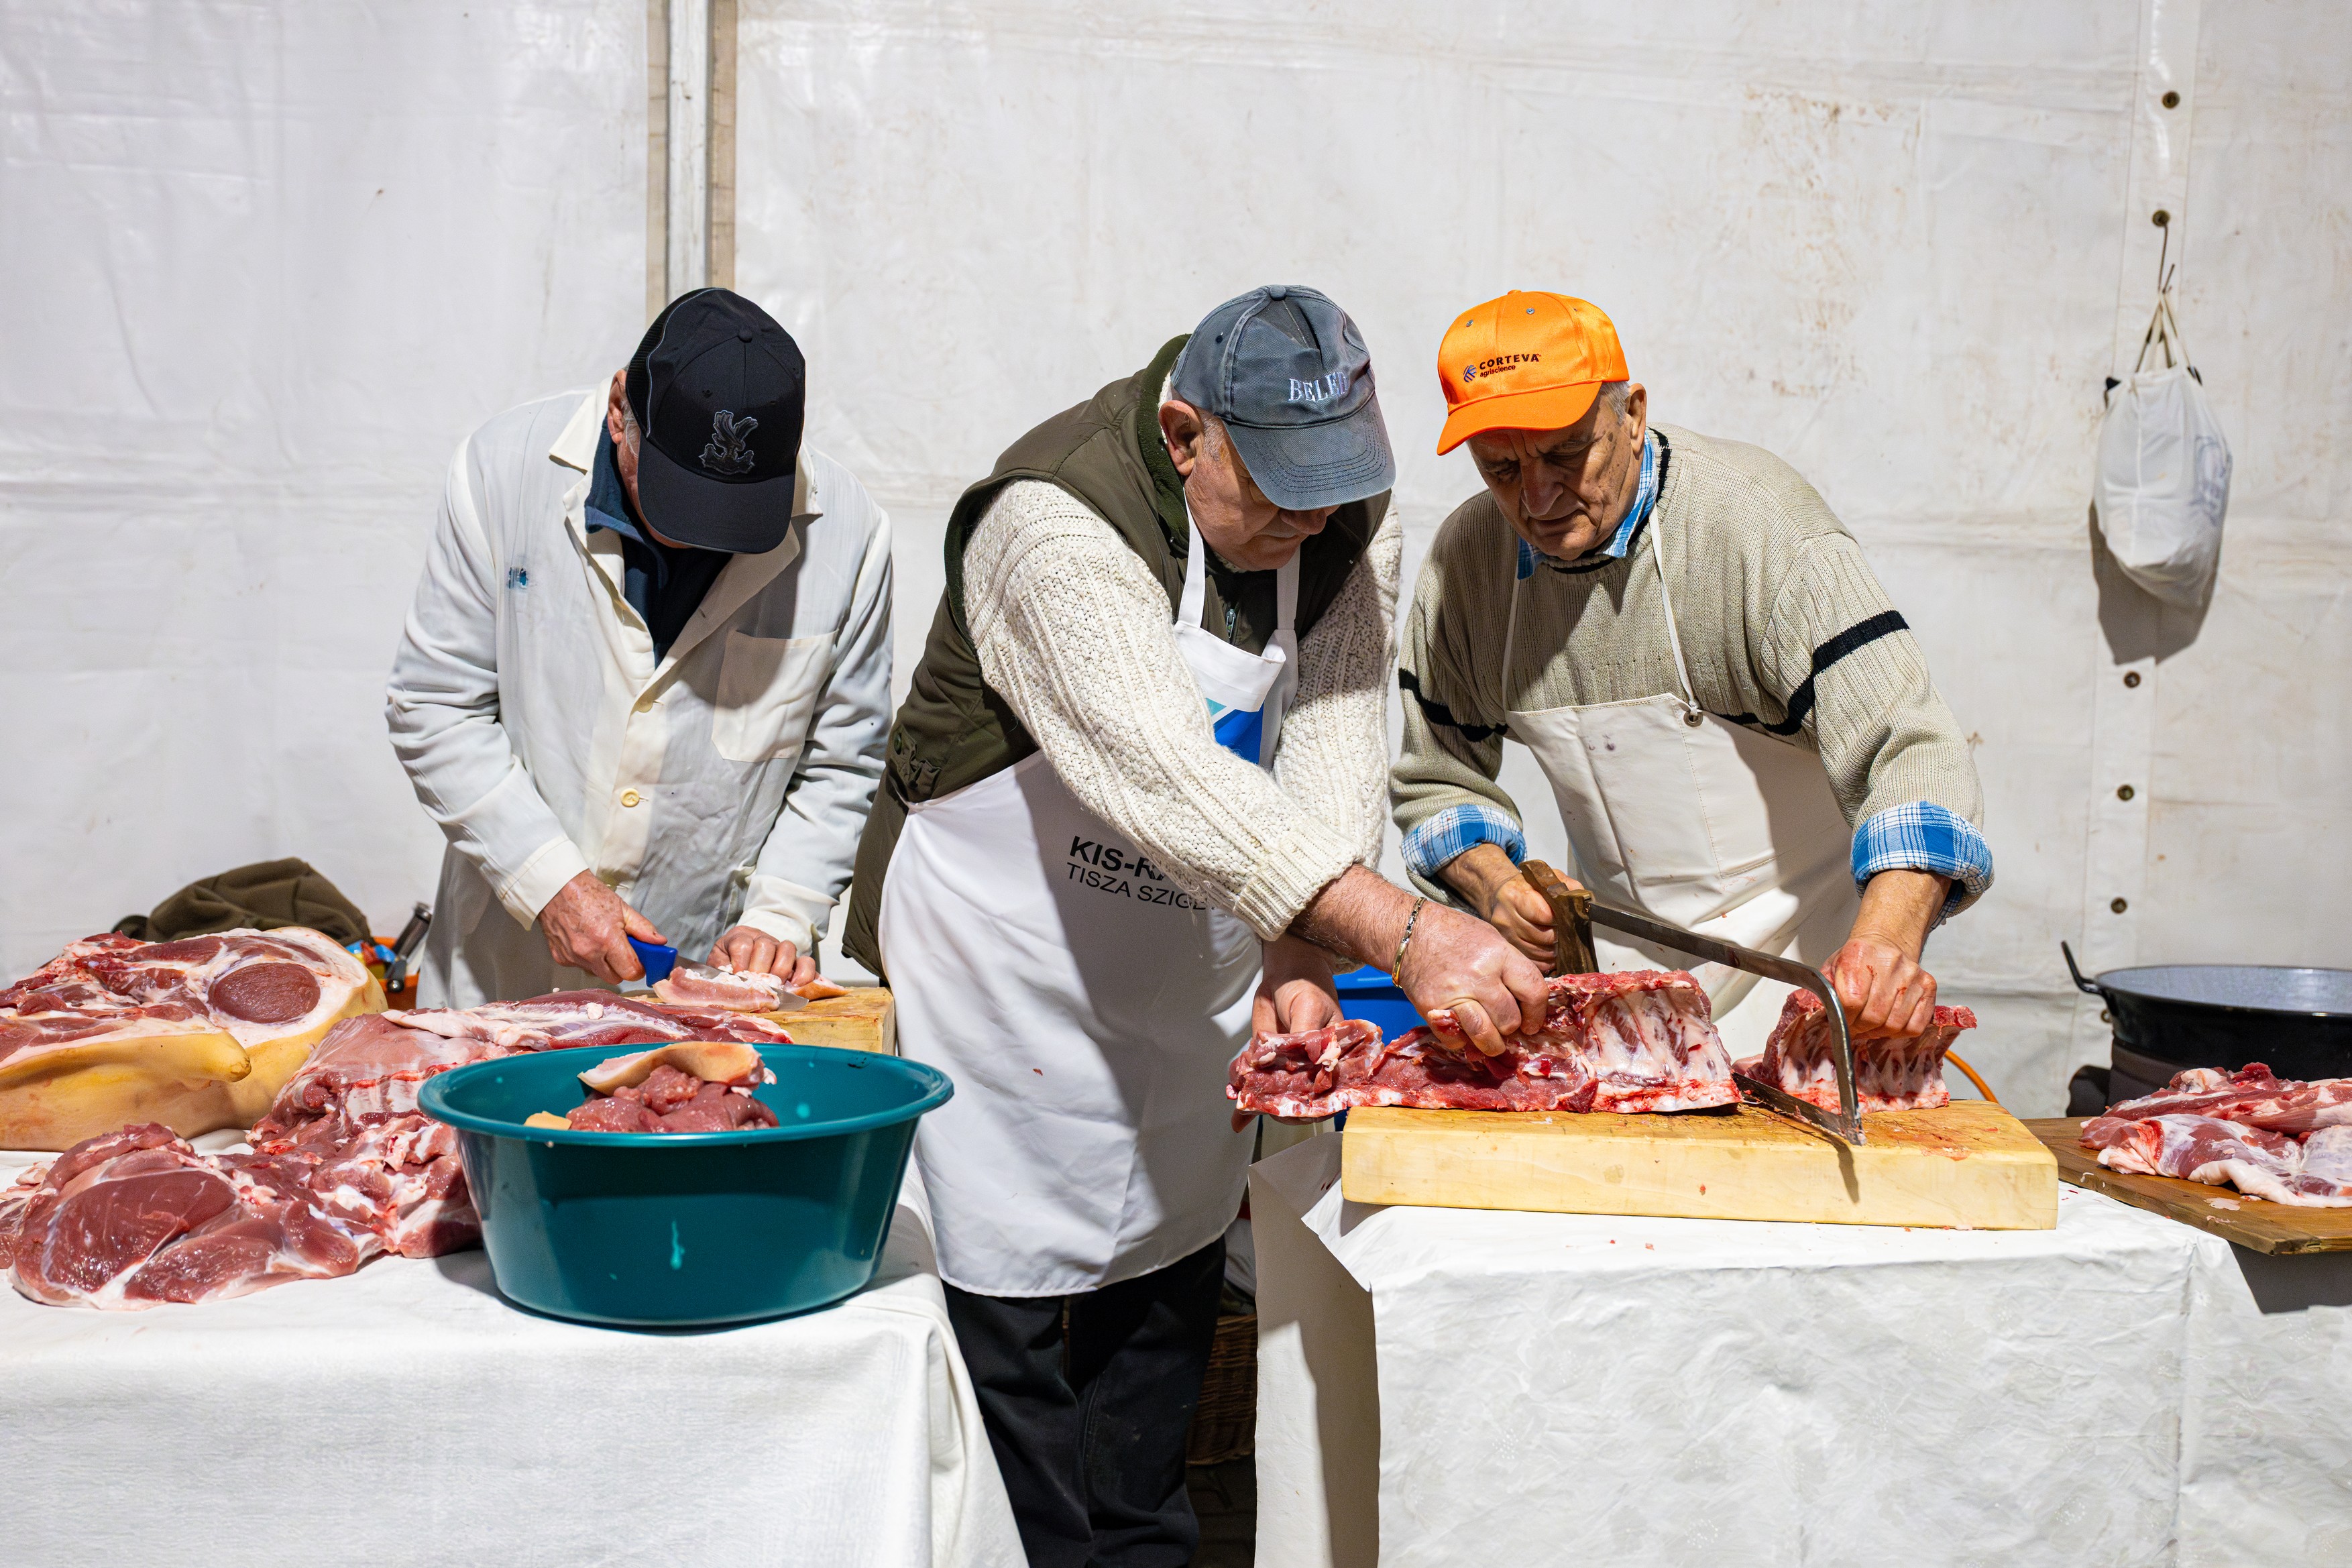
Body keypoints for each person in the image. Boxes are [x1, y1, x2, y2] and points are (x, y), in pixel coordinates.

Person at [844, 286, 1543, 1566]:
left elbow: (1333, 725)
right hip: (1003, 962)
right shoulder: (1049, 524)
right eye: (1278, 493)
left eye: (1335, 486)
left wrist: (1299, 947)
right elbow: (1161, 769)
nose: (1312, 520)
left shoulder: (1343, 521)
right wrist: (1399, 930)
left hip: (1186, 952)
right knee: (1001, 1340)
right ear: (1183, 434)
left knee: (1163, 1295)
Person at [1393, 290, 1993, 1056]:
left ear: (1633, 413)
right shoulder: (1468, 566)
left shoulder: (1756, 529)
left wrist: (1887, 940)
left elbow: (1916, 750)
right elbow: (1434, 777)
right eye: (1502, 468)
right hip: (1621, 1009)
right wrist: (1492, 884)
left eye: (1567, 453)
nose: (1537, 498)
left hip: (1809, 988)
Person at [388, 288, 891, 1008]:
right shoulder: (502, 472)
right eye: (674, 497)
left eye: (732, 515)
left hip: (698, 986)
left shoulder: (850, 537)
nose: (698, 538)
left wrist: (781, 915)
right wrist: (549, 879)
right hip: (501, 978)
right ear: (622, 408)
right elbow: (434, 705)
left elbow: (844, 762)